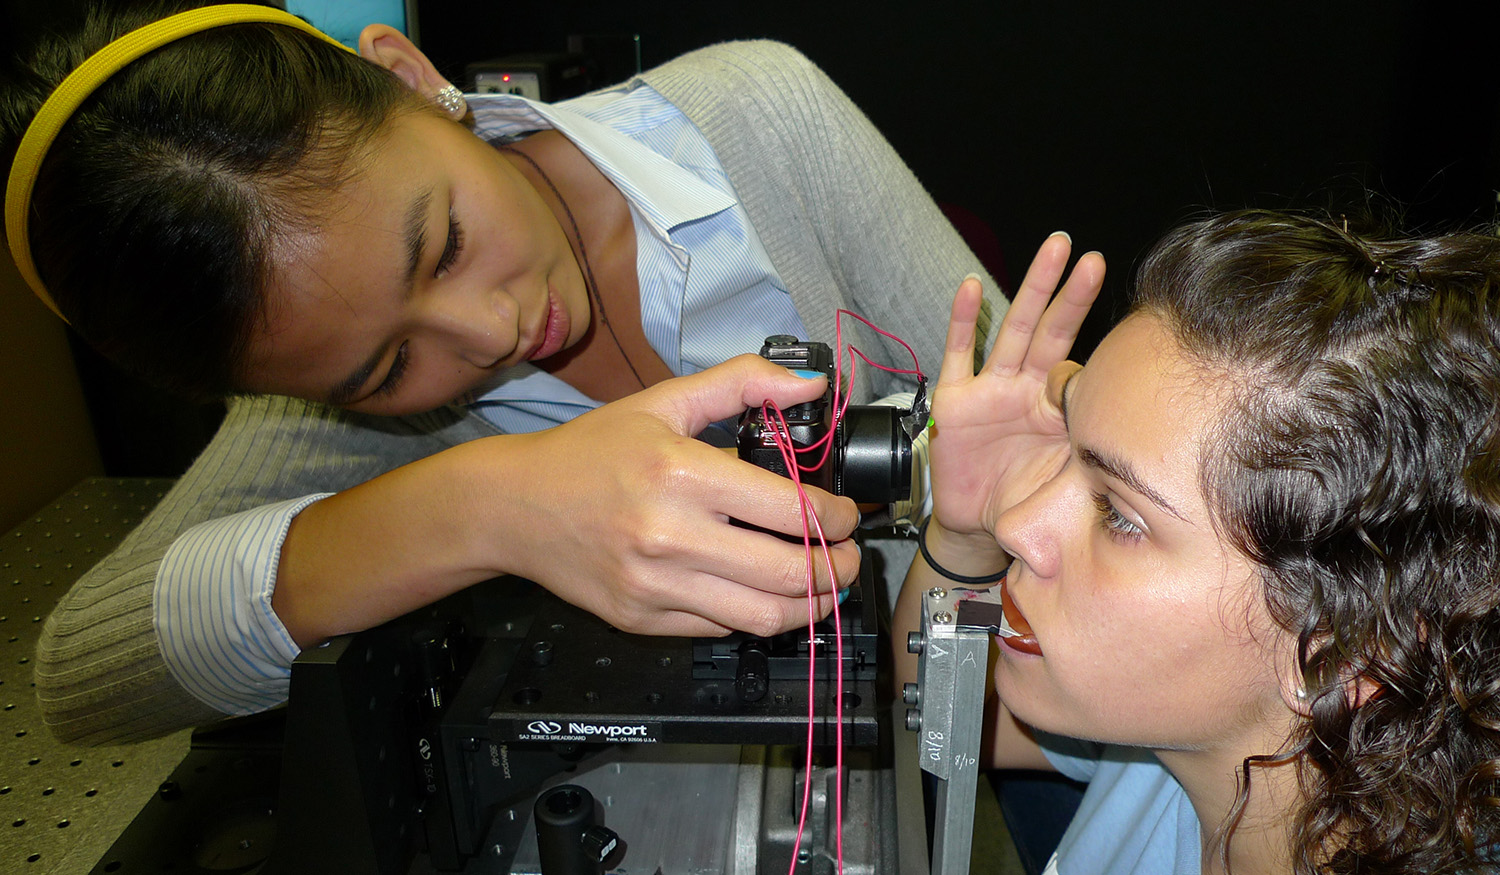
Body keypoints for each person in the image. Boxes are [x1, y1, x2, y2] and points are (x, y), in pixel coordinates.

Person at [3, 1, 1001, 744]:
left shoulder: (757, 115)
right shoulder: (345, 410)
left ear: (410, 79)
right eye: (388, 364)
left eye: (441, 244)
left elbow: (1044, 420)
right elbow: (87, 673)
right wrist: (487, 504)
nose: (489, 336)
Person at [897, 210, 1500, 874]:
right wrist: (962, 538)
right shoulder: (1156, 746)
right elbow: (938, 712)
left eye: (1119, 514)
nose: (1014, 522)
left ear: (1332, 657)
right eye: (1065, 450)